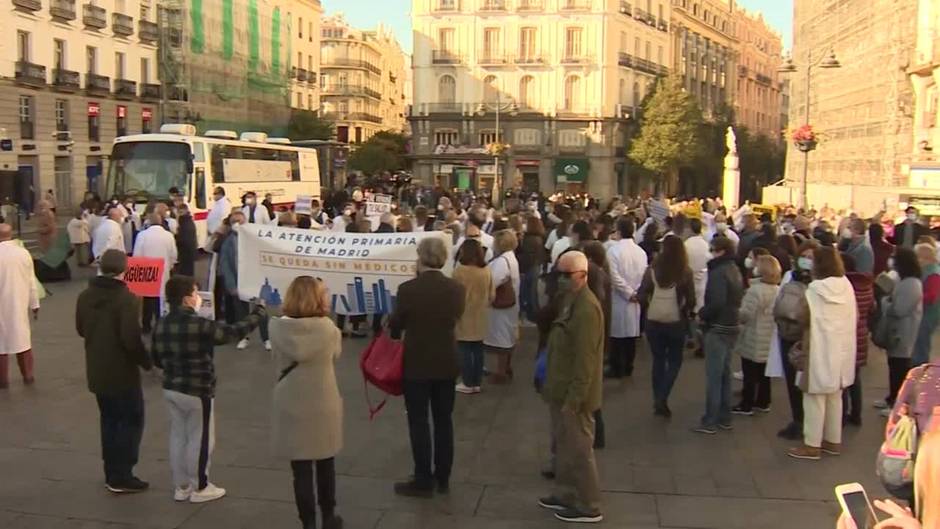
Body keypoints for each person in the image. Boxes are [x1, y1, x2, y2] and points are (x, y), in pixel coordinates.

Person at [152, 275, 266, 503]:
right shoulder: (198, 325)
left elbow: (156, 358)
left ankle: (181, 485)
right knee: (200, 438)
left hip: (171, 387)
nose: (197, 297)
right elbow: (230, 333)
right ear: (186, 299)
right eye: (195, 293)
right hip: (197, 389)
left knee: (178, 436)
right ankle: (201, 486)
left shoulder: (161, 323)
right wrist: (258, 313)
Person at [388, 237, 465, 497]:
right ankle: (443, 476)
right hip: (447, 360)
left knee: (419, 421)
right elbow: (455, 317)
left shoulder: (408, 289)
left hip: (417, 363)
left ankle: (423, 477)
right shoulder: (456, 288)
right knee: (444, 421)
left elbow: (396, 326)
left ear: (420, 258)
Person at [269, 277, 344, 529]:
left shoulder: (276, 328)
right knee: (325, 462)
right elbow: (336, 355)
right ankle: (329, 516)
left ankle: (308, 523)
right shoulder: (329, 329)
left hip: (290, 400)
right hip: (323, 400)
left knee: (300, 468)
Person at [75, 249, 152, 493]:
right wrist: (147, 362)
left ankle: (111, 471)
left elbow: (80, 328)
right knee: (131, 420)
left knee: (109, 420)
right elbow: (131, 339)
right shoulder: (126, 299)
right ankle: (123, 474)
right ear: (123, 270)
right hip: (122, 372)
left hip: (97, 369)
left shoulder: (85, 296)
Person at [537, 252, 604, 524]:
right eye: (559, 275)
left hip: (575, 395)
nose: (562, 280)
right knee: (563, 447)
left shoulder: (587, 309)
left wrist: (574, 400)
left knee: (579, 450)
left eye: (567, 276)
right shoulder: (568, 301)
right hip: (560, 388)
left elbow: (585, 360)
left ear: (583, 276)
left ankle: (588, 504)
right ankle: (565, 494)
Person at [787, 248, 857, 460]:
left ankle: (812, 444)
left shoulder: (814, 290)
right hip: (842, 348)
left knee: (814, 397)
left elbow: (800, 316)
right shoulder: (847, 286)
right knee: (835, 396)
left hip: (818, 348)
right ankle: (833, 440)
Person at [637, 235, 696, 417]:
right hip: (675, 322)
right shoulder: (685, 272)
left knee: (658, 360)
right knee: (675, 360)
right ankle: (663, 395)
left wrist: (648, 306)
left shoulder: (652, 269)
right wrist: (685, 310)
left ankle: (657, 398)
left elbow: (641, 294)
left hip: (653, 321)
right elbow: (692, 300)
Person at [694, 236, 744, 434]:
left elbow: (716, 302)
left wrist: (702, 314)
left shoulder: (718, 272)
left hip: (718, 326)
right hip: (731, 324)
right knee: (724, 373)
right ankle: (725, 416)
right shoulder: (735, 269)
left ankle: (710, 419)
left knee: (714, 375)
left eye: (713, 249)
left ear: (720, 251)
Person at [773, 240, 818, 440]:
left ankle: (809, 423)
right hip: (787, 334)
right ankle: (797, 419)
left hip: (807, 337)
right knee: (791, 381)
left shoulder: (819, 283)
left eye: (811, 257)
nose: (806, 261)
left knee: (807, 382)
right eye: (804, 256)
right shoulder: (789, 276)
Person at [875, 248, 924, 415]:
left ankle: (898, 404)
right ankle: (892, 398)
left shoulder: (911, 284)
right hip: (897, 333)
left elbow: (900, 309)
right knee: (894, 367)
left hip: (902, 334)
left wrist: (885, 303)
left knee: (899, 370)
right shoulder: (906, 282)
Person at [733, 255, 781, 416]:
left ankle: (746, 404)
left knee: (749, 372)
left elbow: (746, 314)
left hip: (753, 334)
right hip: (768, 336)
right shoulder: (778, 289)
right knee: (763, 373)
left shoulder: (755, 290)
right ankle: (763, 401)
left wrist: (737, 313)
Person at [219, 211, 271, 351]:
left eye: (240, 221)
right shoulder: (228, 242)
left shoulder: (255, 238)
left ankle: (266, 338)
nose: (237, 224)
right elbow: (225, 265)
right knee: (241, 312)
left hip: (255, 282)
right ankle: (243, 337)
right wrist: (231, 285)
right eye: (234, 222)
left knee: (261, 311)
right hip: (238, 282)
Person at [606, 217, 647, 378]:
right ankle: (629, 365)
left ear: (619, 231)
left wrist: (627, 292)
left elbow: (614, 276)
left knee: (617, 334)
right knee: (631, 333)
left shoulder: (613, 251)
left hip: (620, 296)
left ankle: (616, 367)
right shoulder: (640, 252)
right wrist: (636, 292)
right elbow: (644, 274)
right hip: (635, 296)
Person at [453, 240, 494, 394]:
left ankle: (467, 382)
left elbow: (454, 293)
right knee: (478, 350)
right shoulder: (486, 270)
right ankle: (476, 382)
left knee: (464, 349)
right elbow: (492, 294)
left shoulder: (459, 271)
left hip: (464, 314)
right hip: (481, 313)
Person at [0, 223, 39, 388]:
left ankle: (3, 380)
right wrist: (34, 303)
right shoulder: (23, 254)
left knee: (1, 344)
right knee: (22, 340)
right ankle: (27, 375)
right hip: (19, 302)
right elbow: (32, 281)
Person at [840, 253, 875, 427]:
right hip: (861, 333)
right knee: (856, 377)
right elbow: (871, 308)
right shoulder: (866, 285)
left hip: (847, 333)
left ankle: (843, 414)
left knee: (843, 378)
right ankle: (856, 414)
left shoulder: (844, 287)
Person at [485, 230, 521, 384]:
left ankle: (501, 372)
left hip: (501, 307)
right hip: (510, 305)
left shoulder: (501, 261)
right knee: (507, 336)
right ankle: (505, 368)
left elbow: (493, 281)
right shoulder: (510, 258)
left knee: (502, 339)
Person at [134, 213, 179, 334]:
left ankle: (146, 325)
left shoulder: (142, 235)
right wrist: (170, 266)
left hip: (147, 269)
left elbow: (137, 254)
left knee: (148, 299)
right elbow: (173, 254)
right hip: (163, 269)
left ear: (148, 222)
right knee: (162, 298)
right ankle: (161, 324)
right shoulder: (168, 236)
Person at [912, 243, 940, 368]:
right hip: (926, 313)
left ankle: (920, 371)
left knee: (921, 345)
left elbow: (932, 296)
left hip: (928, 315)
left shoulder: (933, 273)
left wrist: (915, 297)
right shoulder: (930, 270)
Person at [519, 216, 547, 324]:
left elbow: (527, 256)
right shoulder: (540, 238)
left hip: (530, 267)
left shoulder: (529, 239)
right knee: (533, 291)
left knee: (528, 292)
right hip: (536, 265)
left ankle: (530, 313)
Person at [685, 218, 711, 315]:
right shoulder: (706, 245)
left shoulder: (686, 244)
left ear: (690, 229)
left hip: (689, 282)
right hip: (702, 281)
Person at [175, 204, 198, 276]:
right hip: (189, 252)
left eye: (180, 212)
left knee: (185, 272)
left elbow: (183, 239)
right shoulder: (188, 221)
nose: (179, 214)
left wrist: (176, 238)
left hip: (185, 252)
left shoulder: (184, 222)